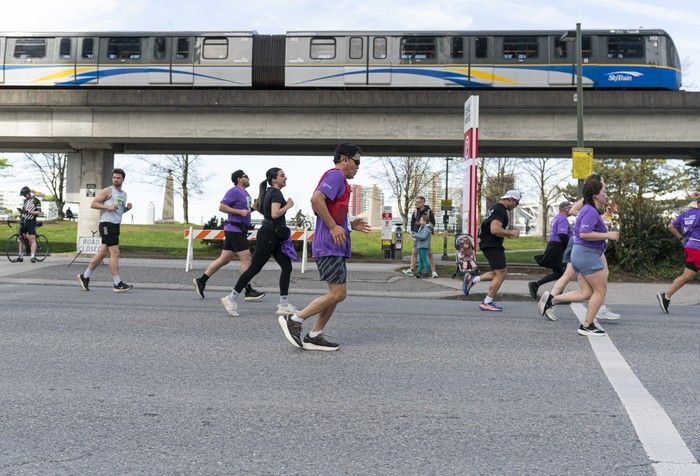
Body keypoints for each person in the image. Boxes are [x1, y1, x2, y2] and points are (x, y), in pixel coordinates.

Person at [278, 143, 370, 351]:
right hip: (328, 246)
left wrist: (348, 225)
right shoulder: (336, 176)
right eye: (357, 161)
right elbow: (316, 199)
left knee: (336, 294)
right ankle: (295, 320)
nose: (358, 166)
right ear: (344, 159)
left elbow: (330, 210)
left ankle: (315, 335)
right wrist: (333, 226)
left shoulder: (340, 182)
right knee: (338, 294)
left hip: (334, 246)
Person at [539, 174, 620, 336]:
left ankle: (552, 299)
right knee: (600, 290)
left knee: (586, 293)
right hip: (586, 254)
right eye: (604, 190)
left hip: (581, 254)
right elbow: (584, 233)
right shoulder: (589, 210)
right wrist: (608, 235)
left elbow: (589, 227)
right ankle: (586, 325)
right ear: (596, 194)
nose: (606, 194)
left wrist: (606, 220)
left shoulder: (590, 210)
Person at [220, 167, 296, 317]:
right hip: (268, 236)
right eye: (282, 176)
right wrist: (288, 205)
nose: (285, 178)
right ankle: (231, 298)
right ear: (274, 179)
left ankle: (283, 304)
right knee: (254, 268)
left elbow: (267, 212)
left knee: (287, 267)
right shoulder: (275, 192)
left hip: (274, 236)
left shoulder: (268, 192)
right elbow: (274, 214)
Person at [192, 170, 264, 301]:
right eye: (246, 176)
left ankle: (201, 281)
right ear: (239, 179)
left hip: (238, 229)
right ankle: (248, 290)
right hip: (234, 229)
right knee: (247, 259)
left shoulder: (245, 193)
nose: (249, 178)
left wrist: (253, 208)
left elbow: (245, 212)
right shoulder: (234, 191)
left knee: (224, 259)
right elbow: (222, 207)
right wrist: (238, 211)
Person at [77, 168, 133, 292]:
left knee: (102, 253)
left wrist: (127, 208)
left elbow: (118, 210)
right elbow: (94, 203)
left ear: (123, 179)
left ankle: (85, 276)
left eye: (118, 178)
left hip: (115, 225)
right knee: (115, 253)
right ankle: (117, 283)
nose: (116, 179)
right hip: (107, 224)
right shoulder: (108, 190)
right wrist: (107, 206)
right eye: (114, 177)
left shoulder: (123, 194)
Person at [465, 190, 521, 311]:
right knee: (501, 274)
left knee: (499, 273)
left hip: (488, 243)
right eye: (516, 203)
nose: (515, 206)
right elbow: (495, 229)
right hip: (492, 244)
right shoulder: (500, 210)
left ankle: (473, 279)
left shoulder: (495, 208)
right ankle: (487, 302)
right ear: (510, 199)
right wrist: (511, 232)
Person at [657, 191, 700, 313]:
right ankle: (666, 296)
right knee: (688, 275)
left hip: (690, 245)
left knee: (688, 275)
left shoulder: (685, 214)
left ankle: (666, 296)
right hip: (697, 246)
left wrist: (681, 238)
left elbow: (670, 226)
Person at [528, 201, 572, 299]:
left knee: (559, 273)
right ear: (566, 209)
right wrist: (569, 247)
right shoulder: (562, 219)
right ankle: (558, 296)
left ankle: (536, 285)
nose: (572, 210)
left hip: (553, 246)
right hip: (558, 247)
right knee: (563, 273)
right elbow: (562, 235)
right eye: (570, 208)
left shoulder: (556, 218)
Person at [404, 196, 438, 278]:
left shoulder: (429, 211)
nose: (416, 203)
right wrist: (412, 233)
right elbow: (412, 223)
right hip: (416, 235)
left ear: (423, 203)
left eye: (418, 202)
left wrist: (424, 225)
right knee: (414, 252)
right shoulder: (415, 211)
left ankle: (433, 271)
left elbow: (433, 223)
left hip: (425, 236)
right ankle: (411, 270)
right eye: (416, 202)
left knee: (429, 253)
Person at [17, 186, 42, 263]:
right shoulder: (25, 201)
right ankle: (20, 256)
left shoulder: (36, 201)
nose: (24, 196)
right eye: (23, 195)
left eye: (25, 195)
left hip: (31, 221)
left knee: (32, 238)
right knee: (21, 239)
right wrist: (21, 215)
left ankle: (32, 256)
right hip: (24, 221)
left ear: (29, 193)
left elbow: (39, 212)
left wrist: (28, 212)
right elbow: (23, 212)